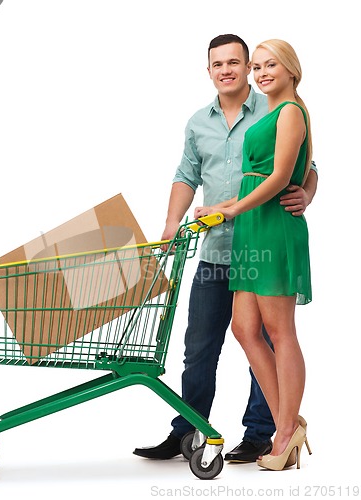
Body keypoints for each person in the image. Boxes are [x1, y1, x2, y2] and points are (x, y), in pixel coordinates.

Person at [133, 34, 318, 463]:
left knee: (270, 337)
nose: (229, 70)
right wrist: (169, 223)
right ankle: (189, 428)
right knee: (205, 342)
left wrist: (306, 193)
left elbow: (304, 165)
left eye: (238, 62)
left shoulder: (272, 107)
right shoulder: (199, 122)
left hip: (261, 240)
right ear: (210, 70)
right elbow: (186, 174)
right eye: (219, 64)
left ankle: (264, 432)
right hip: (218, 249)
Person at [194, 39, 313, 470]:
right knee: (245, 328)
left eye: (270, 66)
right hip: (250, 230)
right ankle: (289, 421)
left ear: (291, 70)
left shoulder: (291, 112)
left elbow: (284, 175)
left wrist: (229, 208)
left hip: (272, 226)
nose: (261, 73)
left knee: (280, 331)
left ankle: (283, 432)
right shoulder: (269, 112)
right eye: (258, 67)